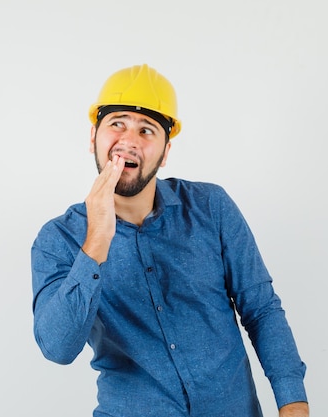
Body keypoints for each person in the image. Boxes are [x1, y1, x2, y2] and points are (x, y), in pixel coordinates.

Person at [31, 64, 309, 417]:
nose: (129, 140)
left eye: (146, 130)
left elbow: (262, 309)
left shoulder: (211, 207)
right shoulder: (57, 239)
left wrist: (293, 403)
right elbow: (57, 347)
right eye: (117, 123)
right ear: (93, 139)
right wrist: (97, 241)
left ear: (164, 153)